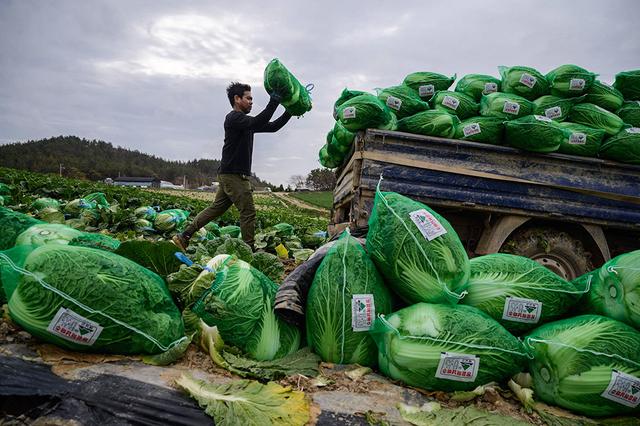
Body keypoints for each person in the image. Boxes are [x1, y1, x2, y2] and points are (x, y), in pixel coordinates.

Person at [172, 82, 291, 251]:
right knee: (248, 212)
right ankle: (248, 250)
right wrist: (274, 102)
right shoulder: (234, 118)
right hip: (234, 175)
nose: (251, 102)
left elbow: (272, 127)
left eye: (252, 99)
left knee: (216, 208)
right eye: (248, 98)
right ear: (237, 99)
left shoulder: (246, 122)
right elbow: (259, 120)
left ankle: (184, 236)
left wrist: (289, 112)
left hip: (229, 174)